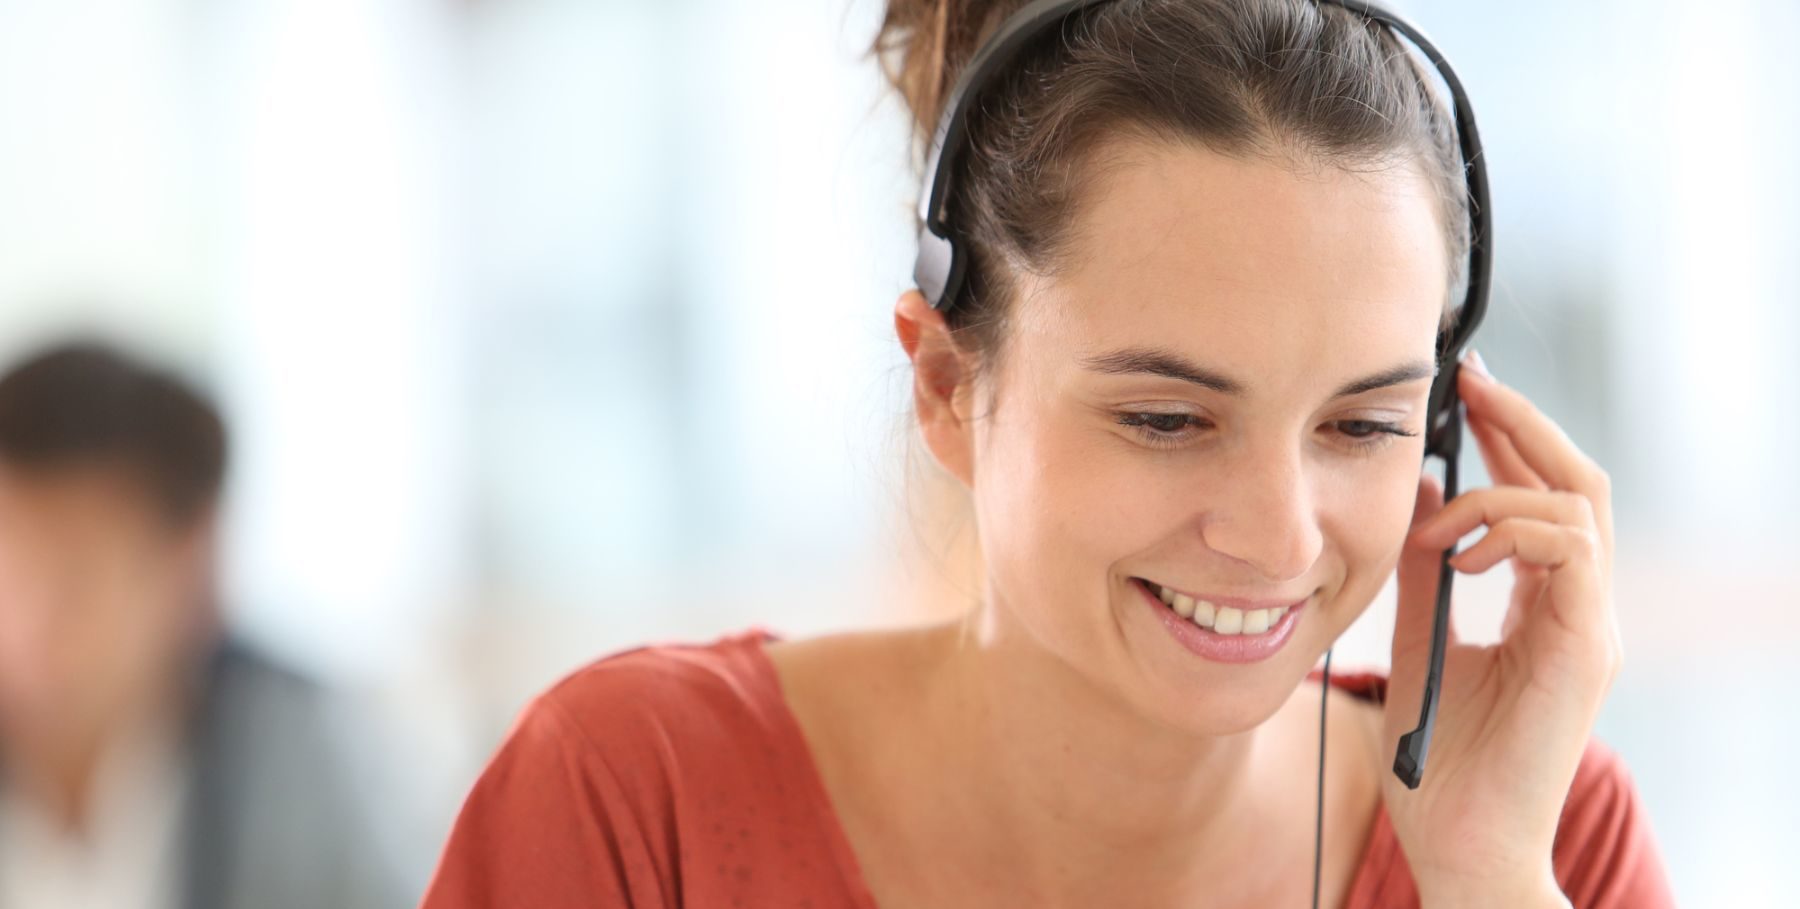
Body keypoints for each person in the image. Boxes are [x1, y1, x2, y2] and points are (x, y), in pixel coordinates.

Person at [419, 1, 1675, 906]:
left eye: (1362, 424)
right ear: (948, 385)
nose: (1280, 536)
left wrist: (1485, 877)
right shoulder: (641, 802)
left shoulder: (1539, 831)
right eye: (1167, 419)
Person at [0, 340, 414, 909]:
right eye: (8, 571)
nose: (27, 622)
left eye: (76, 578)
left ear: (190, 569)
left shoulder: (299, 763)